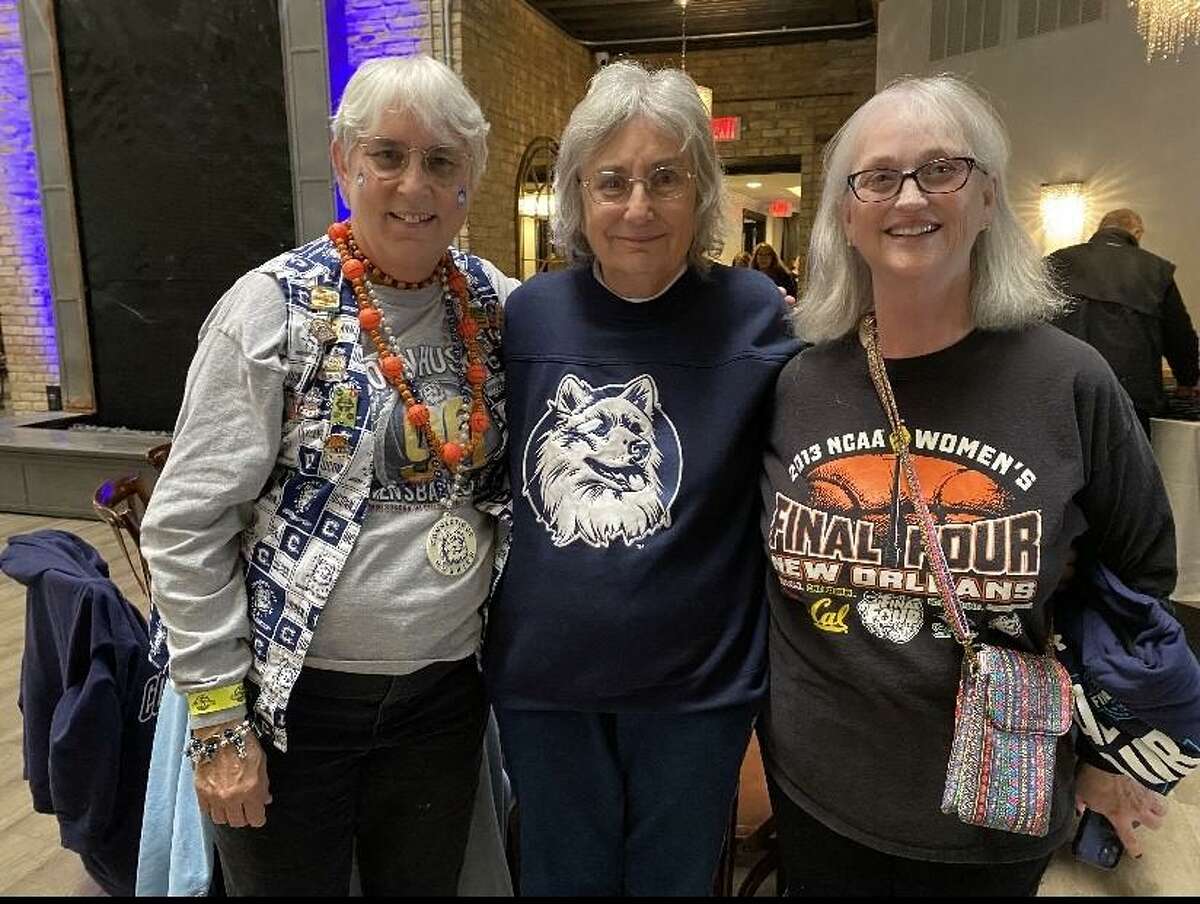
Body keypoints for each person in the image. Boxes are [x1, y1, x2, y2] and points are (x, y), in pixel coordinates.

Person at [760, 75, 1179, 896]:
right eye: (878, 177)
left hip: (993, 813)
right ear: (846, 215)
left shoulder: (1070, 382)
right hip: (816, 794)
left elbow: (1142, 583)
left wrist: (1100, 752)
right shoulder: (799, 384)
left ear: (988, 198)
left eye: (941, 170)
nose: (908, 197)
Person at [140, 55, 518, 896]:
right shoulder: (270, 309)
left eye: (441, 162)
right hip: (290, 710)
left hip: (443, 703)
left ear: (469, 184)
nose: (413, 184)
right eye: (388, 155)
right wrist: (217, 724)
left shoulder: (497, 305)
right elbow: (184, 525)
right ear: (345, 162)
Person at [483, 61, 800, 896]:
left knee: (677, 881)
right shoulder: (529, 315)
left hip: (697, 688)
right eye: (611, 181)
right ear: (578, 197)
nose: (637, 206)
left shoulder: (756, 313)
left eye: (666, 178)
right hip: (544, 680)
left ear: (701, 192)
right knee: (560, 878)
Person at [1047, 208, 1199, 434]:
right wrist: (1187, 381)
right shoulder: (1156, 270)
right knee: (1129, 468)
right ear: (1136, 233)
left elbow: (1031, 325)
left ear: (1100, 229)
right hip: (1130, 401)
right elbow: (1179, 337)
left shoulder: (1056, 262)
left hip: (1062, 394)